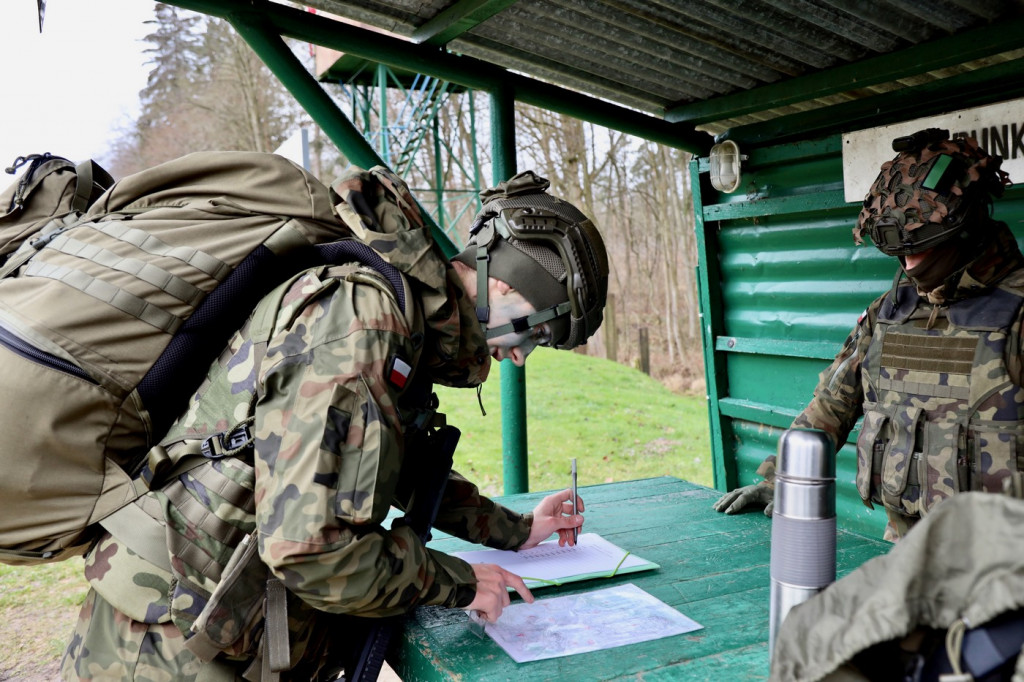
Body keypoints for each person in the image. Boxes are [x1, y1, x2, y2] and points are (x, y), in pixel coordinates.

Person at [60, 166, 609, 680]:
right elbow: (312, 553)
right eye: (533, 334)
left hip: (208, 620)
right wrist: (460, 582)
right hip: (168, 643)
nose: (520, 356)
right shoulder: (362, 325)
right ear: (508, 288)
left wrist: (516, 530)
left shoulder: (401, 319)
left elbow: (387, 467)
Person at [713, 128, 1020, 542]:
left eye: (922, 242)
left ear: (966, 227)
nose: (908, 261)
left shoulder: (1017, 313)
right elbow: (831, 406)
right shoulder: (890, 311)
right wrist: (785, 479)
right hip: (910, 559)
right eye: (899, 248)